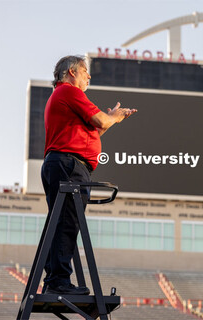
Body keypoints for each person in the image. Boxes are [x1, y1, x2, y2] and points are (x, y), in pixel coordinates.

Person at [42, 55, 137, 295]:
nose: (89, 76)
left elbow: (93, 131)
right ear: (72, 72)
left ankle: (56, 278)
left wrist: (111, 119)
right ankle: (58, 282)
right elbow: (100, 120)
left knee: (65, 221)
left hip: (66, 163)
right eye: (85, 71)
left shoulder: (63, 97)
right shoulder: (70, 92)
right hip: (69, 165)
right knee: (67, 222)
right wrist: (112, 117)